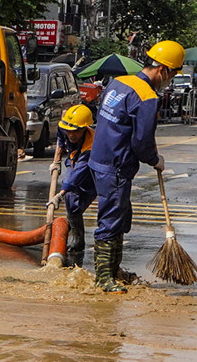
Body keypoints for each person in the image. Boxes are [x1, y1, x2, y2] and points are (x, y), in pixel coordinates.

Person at [88, 40, 183, 292]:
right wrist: (155, 160)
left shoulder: (119, 82)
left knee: (118, 218)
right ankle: (103, 278)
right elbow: (141, 143)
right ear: (163, 69)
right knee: (110, 220)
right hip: (116, 165)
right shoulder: (147, 97)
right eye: (172, 75)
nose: (169, 81)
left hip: (99, 159)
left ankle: (112, 270)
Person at [53, 104, 97, 268]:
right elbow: (60, 137)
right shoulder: (63, 127)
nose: (71, 134)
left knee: (74, 190)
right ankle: (77, 239)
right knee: (71, 199)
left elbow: (76, 175)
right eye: (68, 130)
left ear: (85, 128)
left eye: (76, 131)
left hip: (93, 171)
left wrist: (59, 194)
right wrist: (56, 160)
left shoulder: (91, 145)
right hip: (74, 159)